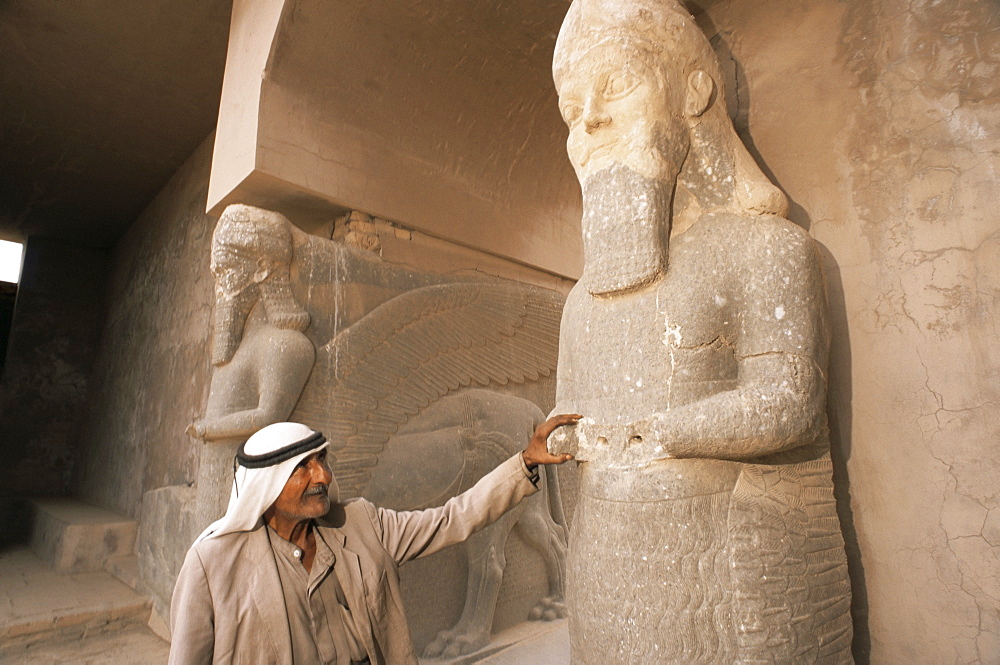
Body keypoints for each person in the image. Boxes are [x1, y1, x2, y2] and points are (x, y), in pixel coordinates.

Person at [547, 0, 854, 663]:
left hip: (725, 568)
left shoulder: (766, 250)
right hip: (606, 574)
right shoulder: (579, 305)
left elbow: (792, 401)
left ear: (693, 90)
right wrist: (565, 434)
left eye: (616, 85)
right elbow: (566, 418)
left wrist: (659, 431)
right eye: (573, 110)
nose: (591, 119)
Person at [168, 415, 580, 665]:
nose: (323, 476)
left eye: (322, 461)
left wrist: (523, 463)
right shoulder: (212, 564)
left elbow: (452, 519)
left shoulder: (359, 524)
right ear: (266, 485)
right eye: (304, 468)